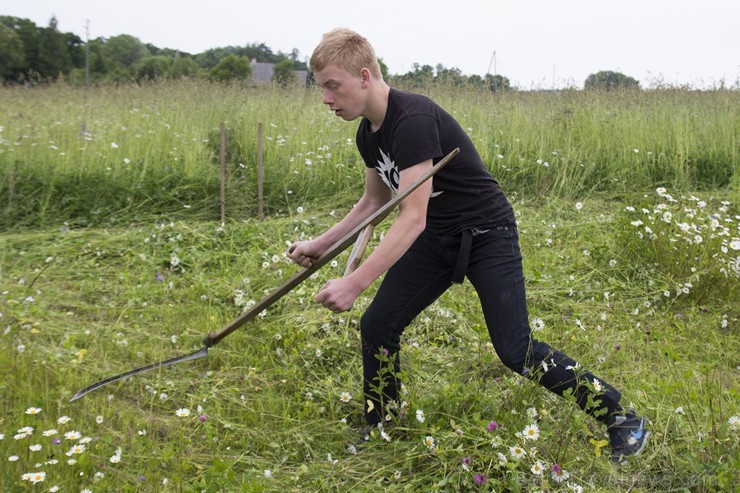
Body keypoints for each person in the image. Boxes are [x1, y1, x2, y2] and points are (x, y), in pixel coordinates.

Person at [287, 28, 649, 464]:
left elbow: (411, 217)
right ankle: (380, 423)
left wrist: (355, 283)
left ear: (363, 76)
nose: (325, 98)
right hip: (436, 237)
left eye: (332, 85)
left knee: (515, 349)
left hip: (486, 233)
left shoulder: (413, 120)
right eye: (321, 88)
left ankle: (620, 417)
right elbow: (373, 201)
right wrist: (320, 245)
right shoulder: (368, 133)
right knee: (379, 325)